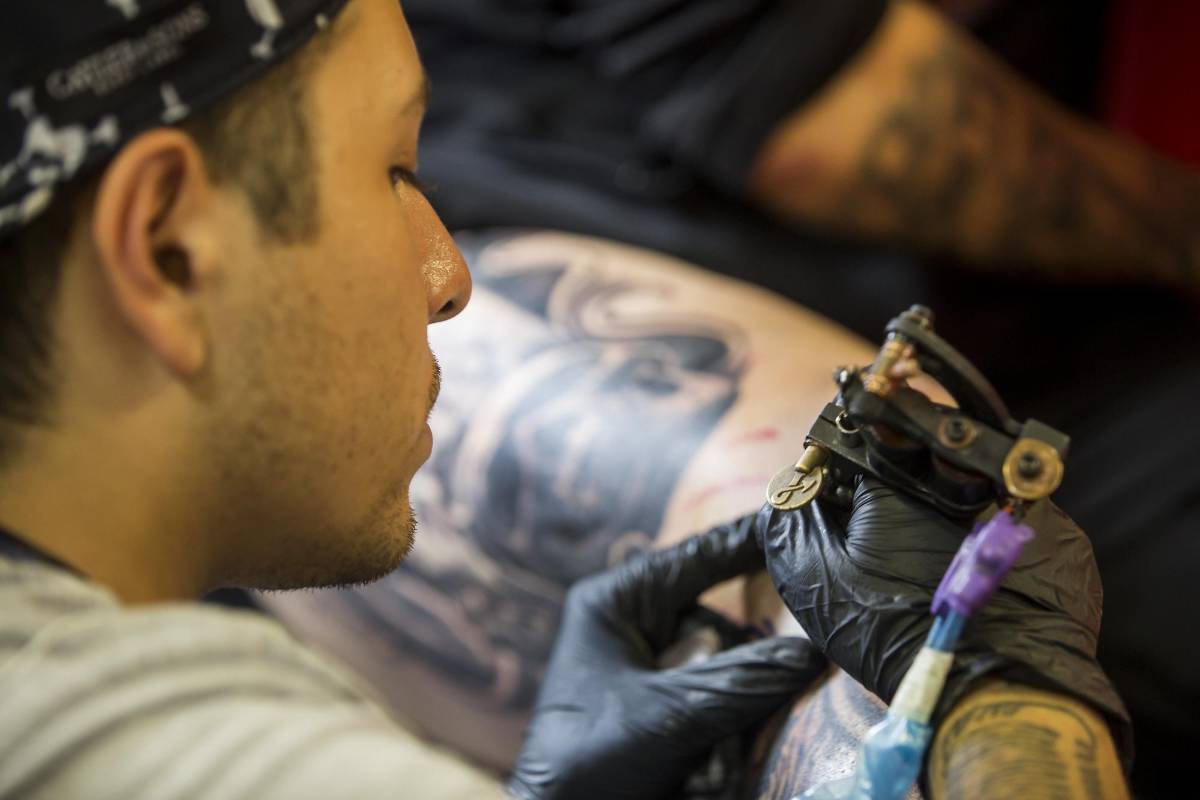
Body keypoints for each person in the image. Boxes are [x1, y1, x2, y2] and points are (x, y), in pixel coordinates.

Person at [0, 2, 1136, 799]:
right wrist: (1000, 689)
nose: (449, 275)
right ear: (168, 247)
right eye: (391, 169)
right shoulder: (176, 756)